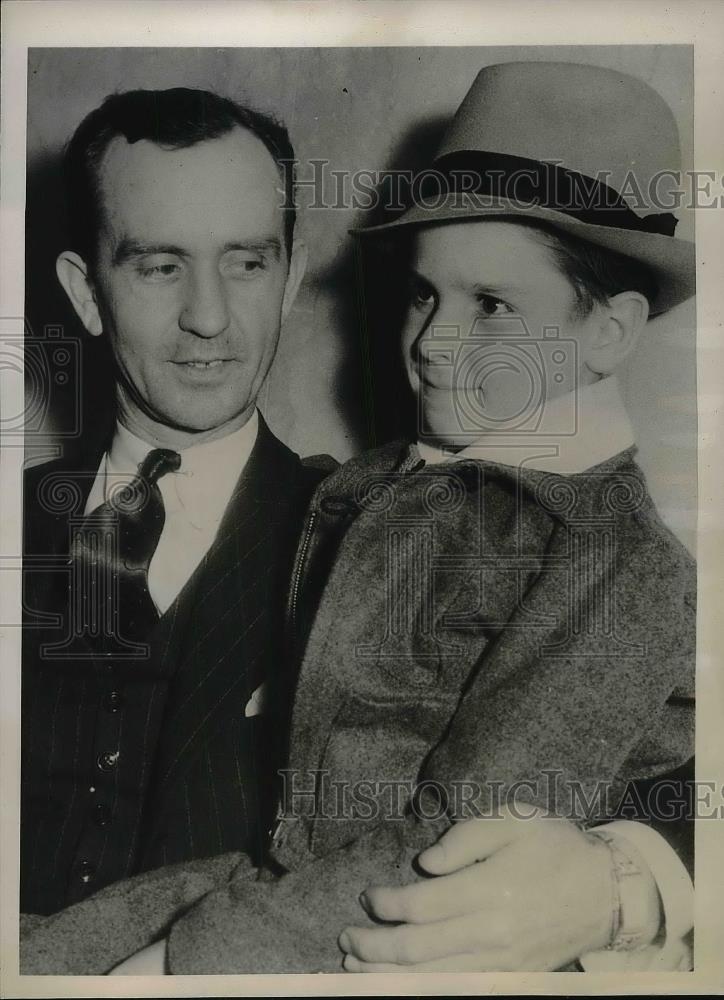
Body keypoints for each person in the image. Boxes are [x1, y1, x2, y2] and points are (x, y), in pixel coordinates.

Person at [20, 64, 695, 975]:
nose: (208, 318)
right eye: (158, 264)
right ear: (85, 290)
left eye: (248, 261)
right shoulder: (372, 500)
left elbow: (628, 765)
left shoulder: (359, 520)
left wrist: (631, 880)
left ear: (294, 277)